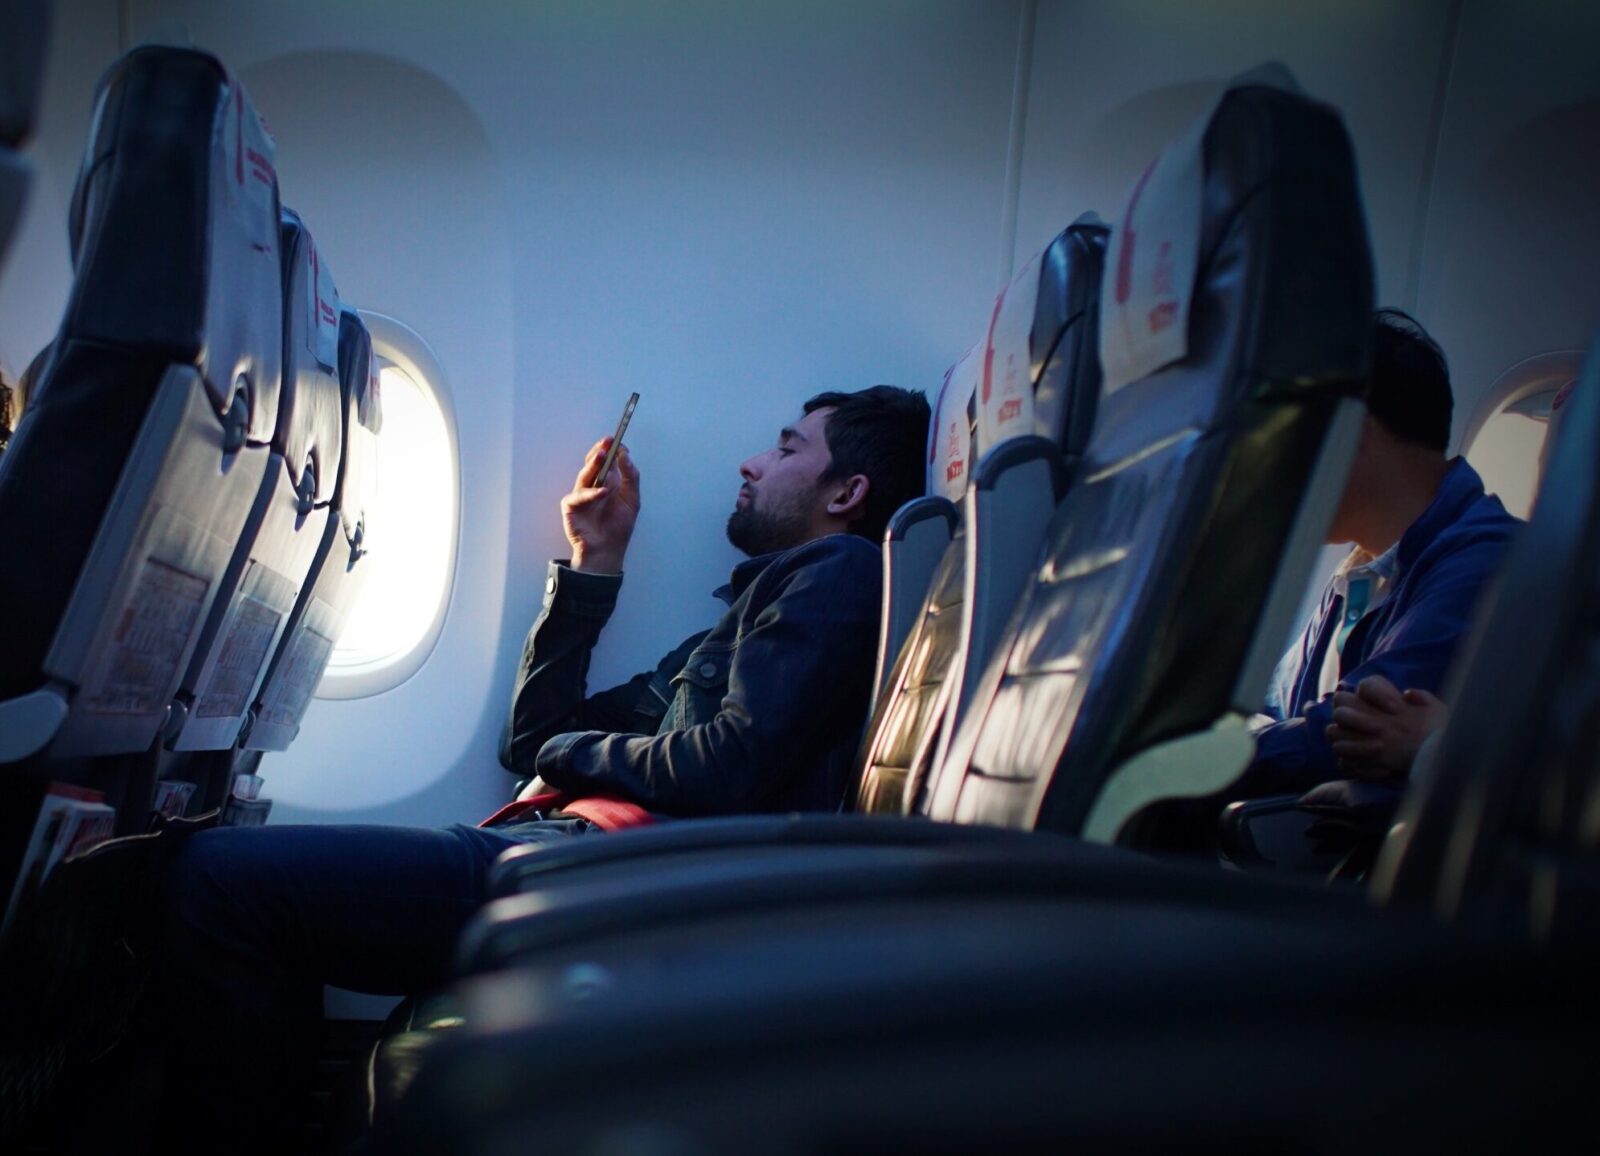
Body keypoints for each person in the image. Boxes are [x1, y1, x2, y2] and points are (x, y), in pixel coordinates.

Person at [150, 383, 931, 1154]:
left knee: (222, 881)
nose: (753, 463)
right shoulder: (730, 628)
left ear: (849, 491)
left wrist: (570, 758)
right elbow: (534, 737)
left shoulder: (842, 570)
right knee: (228, 877)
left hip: (617, 878)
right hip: (579, 852)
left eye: (789, 447)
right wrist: (596, 560)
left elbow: (725, 766)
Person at [1239, 309, 1521, 796]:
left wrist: (1215, 755)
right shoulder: (1359, 575)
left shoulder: (1486, 561)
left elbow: (1337, 741)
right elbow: (1275, 707)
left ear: (1353, 432)